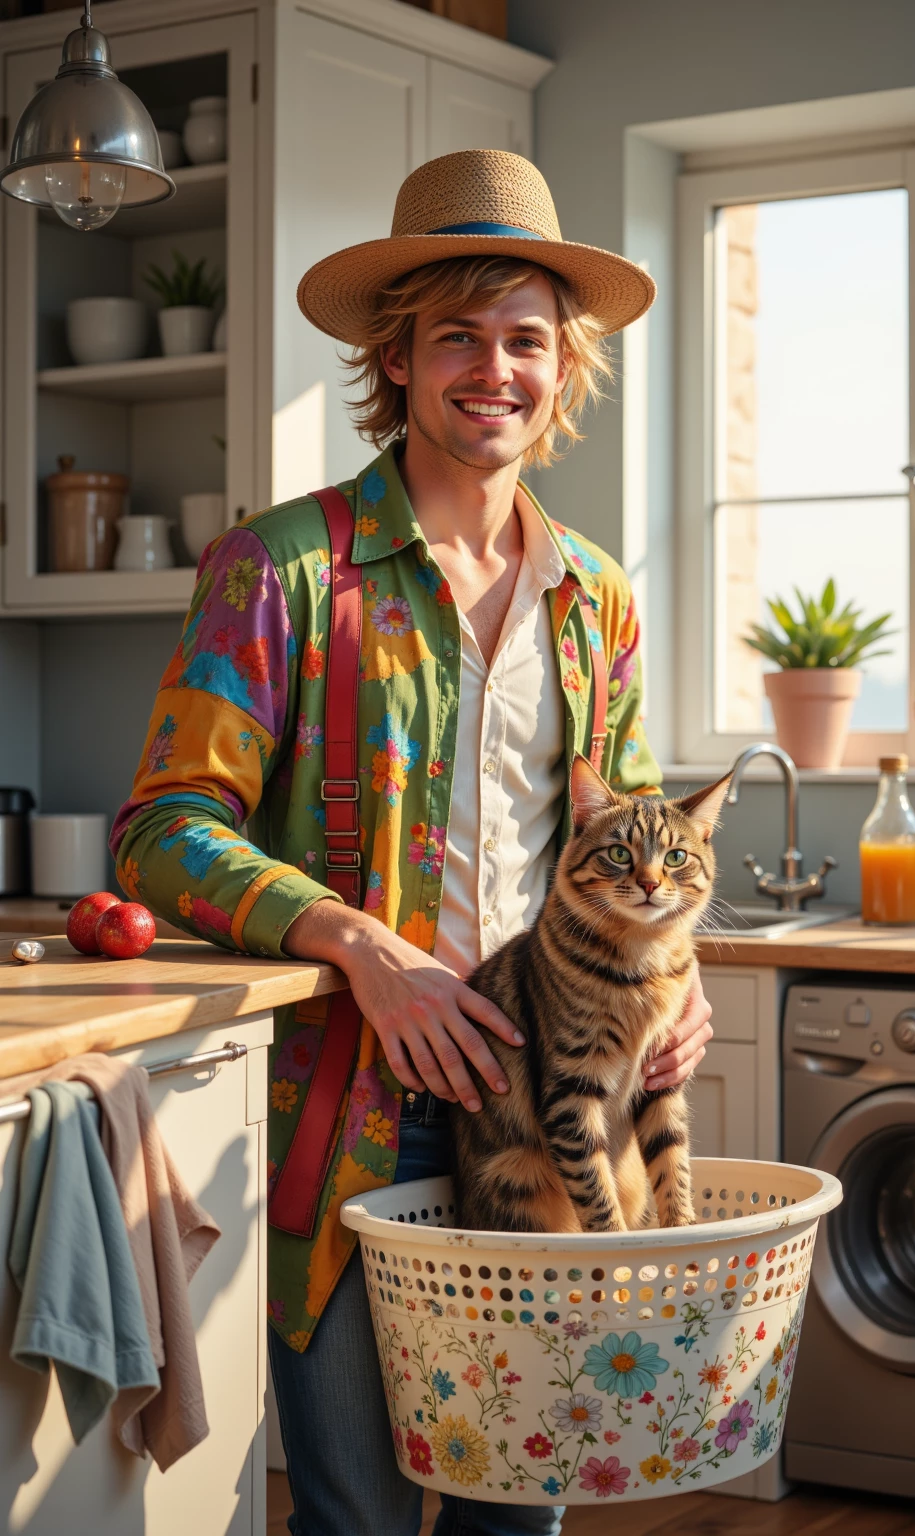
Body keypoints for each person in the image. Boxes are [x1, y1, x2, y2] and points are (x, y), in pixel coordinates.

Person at [111, 149, 713, 1536]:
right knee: (360, 1517)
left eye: (525, 339)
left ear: (564, 368)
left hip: (553, 1096)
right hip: (350, 1110)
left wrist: (675, 984)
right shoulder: (281, 570)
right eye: (458, 335)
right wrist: (361, 945)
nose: (492, 369)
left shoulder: (595, 599)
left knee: (523, 1507)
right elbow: (161, 828)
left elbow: (627, 832)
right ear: (397, 356)